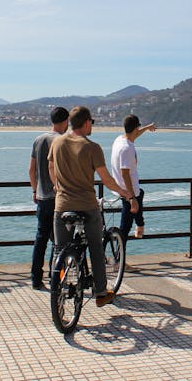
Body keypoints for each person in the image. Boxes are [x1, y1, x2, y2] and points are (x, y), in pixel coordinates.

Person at [48, 106, 137, 307]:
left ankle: (57, 285)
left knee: (59, 249)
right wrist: (126, 194)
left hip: (61, 205)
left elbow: (51, 167)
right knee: (96, 247)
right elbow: (107, 180)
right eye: (92, 123)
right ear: (87, 122)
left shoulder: (57, 142)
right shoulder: (92, 147)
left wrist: (57, 186)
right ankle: (100, 292)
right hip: (87, 205)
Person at [28, 106, 69, 290]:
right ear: (65, 121)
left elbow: (31, 169)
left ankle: (36, 278)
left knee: (41, 237)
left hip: (42, 197)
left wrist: (34, 191)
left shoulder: (38, 139)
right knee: (59, 241)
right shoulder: (62, 140)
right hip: (58, 197)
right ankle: (57, 277)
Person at [111, 114, 156, 239]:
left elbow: (134, 134)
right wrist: (131, 198)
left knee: (140, 193)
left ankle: (140, 224)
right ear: (136, 128)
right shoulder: (127, 148)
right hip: (128, 192)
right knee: (124, 229)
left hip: (123, 188)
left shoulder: (120, 139)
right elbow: (125, 174)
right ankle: (120, 257)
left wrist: (147, 128)